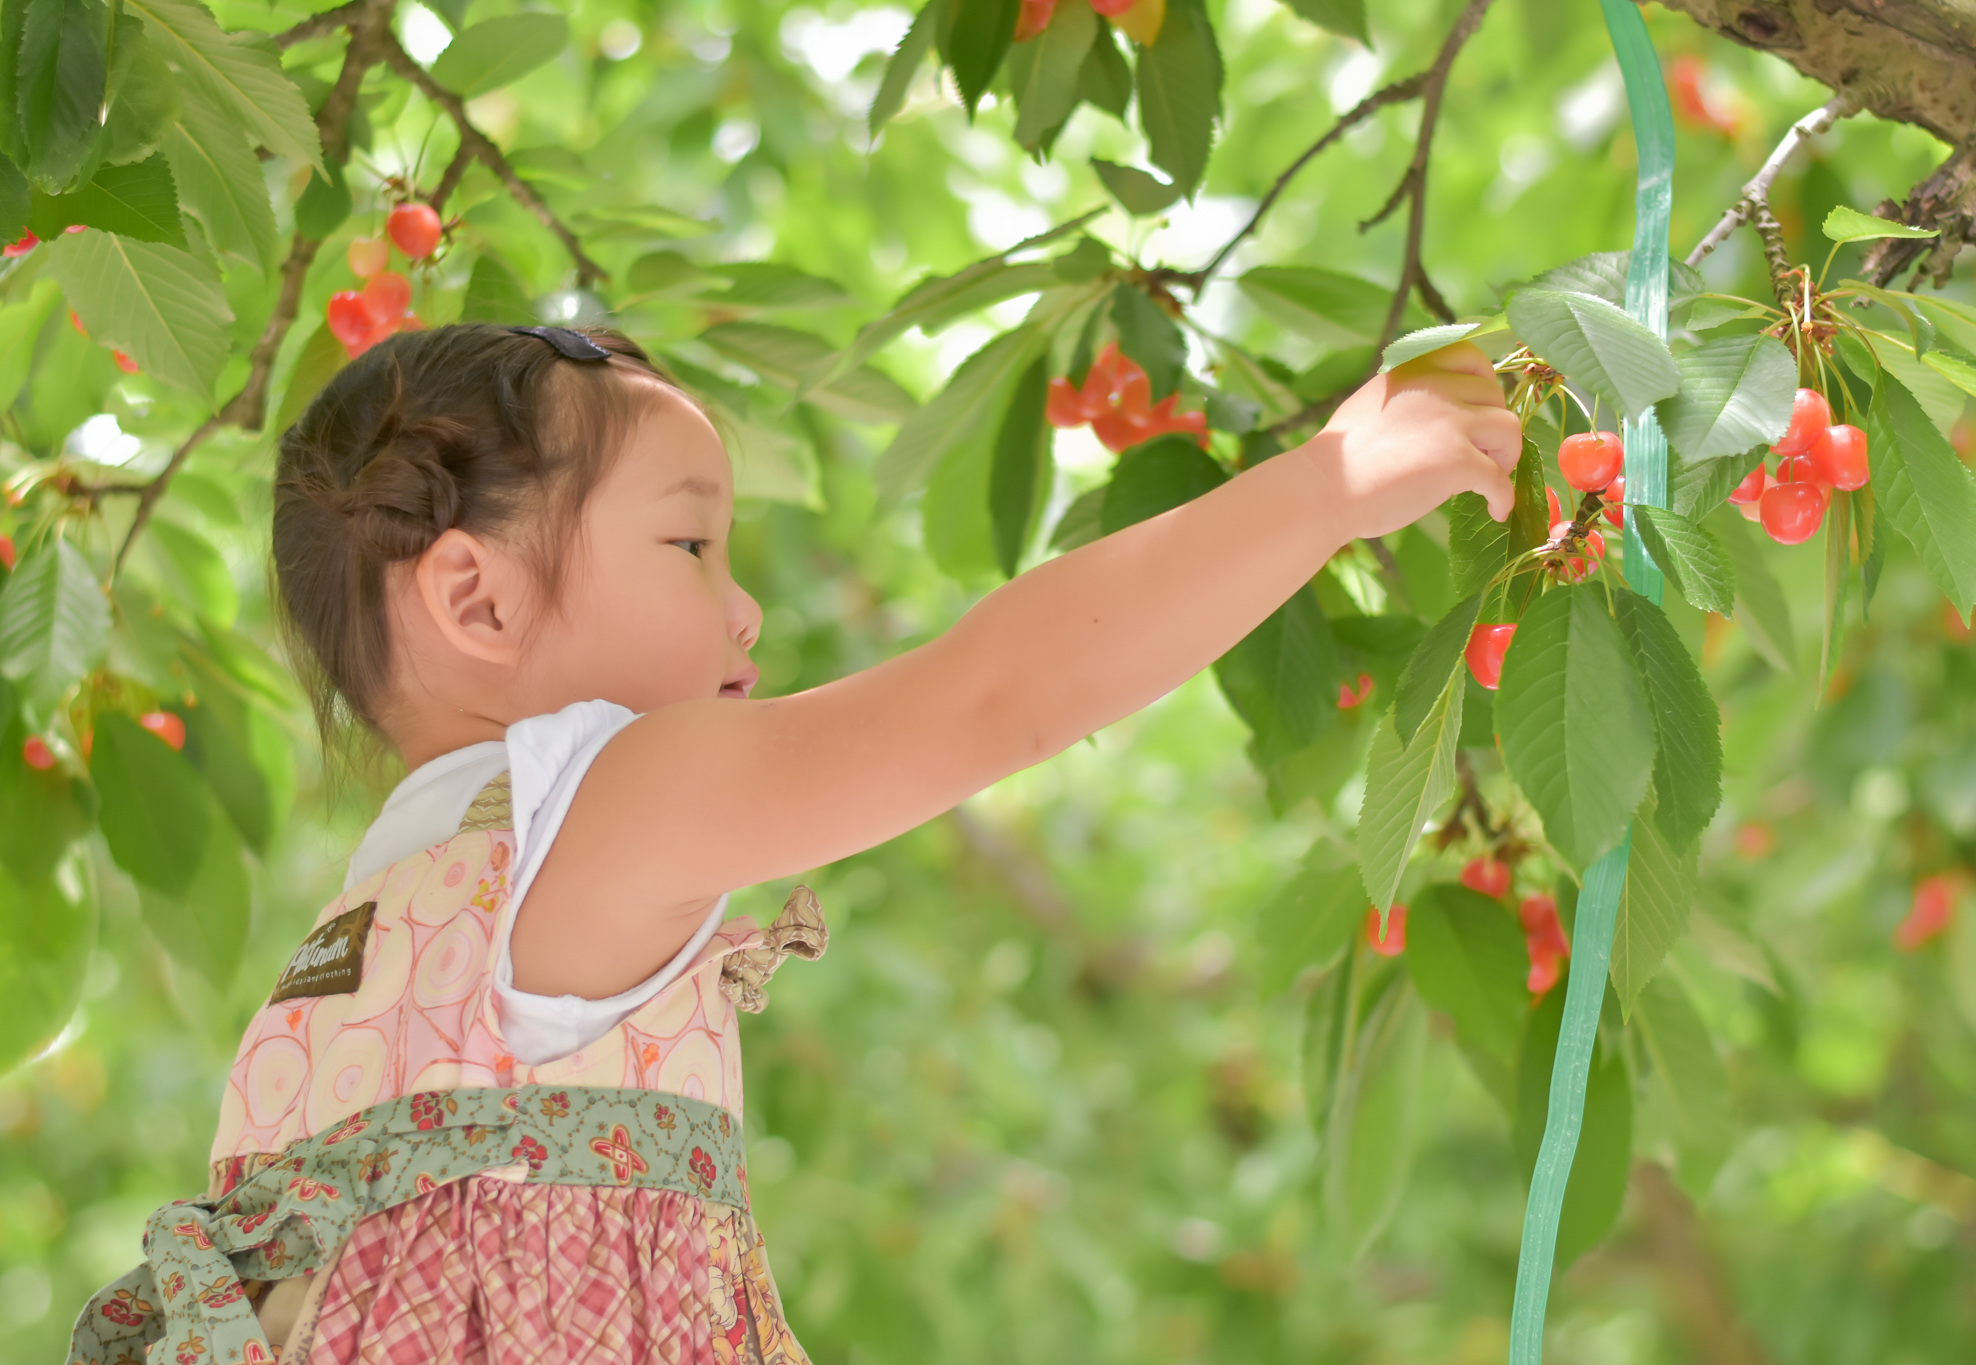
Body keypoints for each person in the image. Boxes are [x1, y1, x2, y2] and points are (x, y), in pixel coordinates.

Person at [70, 322, 1519, 1364]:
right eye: (694, 545)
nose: (745, 609)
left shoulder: (359, 949)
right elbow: (994, 699)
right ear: (481, 601)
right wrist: (1340, 477)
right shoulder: (601, 807)